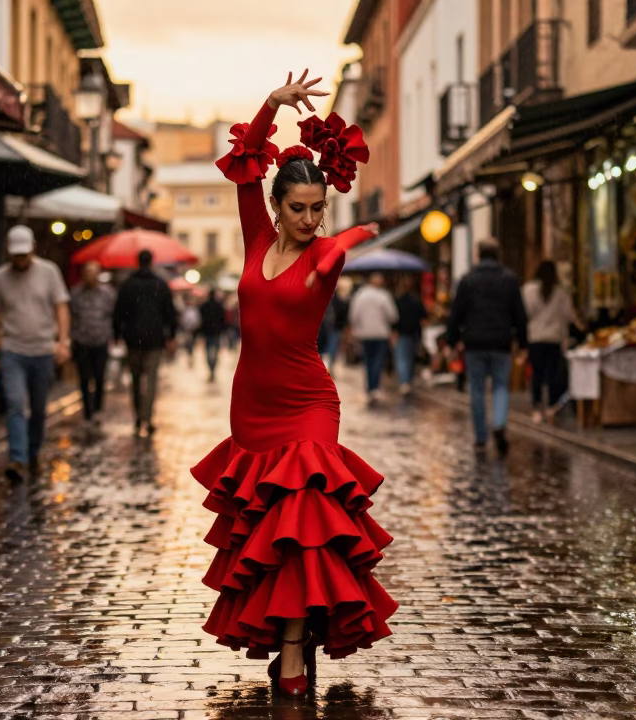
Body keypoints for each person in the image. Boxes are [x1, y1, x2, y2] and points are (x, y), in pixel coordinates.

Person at [191, 70, 394, 698]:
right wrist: (270, 106)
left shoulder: (322, 252)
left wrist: (343, 243)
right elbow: (247, 163)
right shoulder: (255, 237)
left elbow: (352, 240)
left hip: (309, 403)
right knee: (266, 534)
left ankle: (294, 651)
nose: (309, 219)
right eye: (298, 209)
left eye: (317, 210)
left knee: (306, 521)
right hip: (252, 403)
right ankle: (286, 635)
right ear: (277, 207)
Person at [0, 226, 71, 481]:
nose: (20, 260)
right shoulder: (0, 277)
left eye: (24, 255)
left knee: (39, 408)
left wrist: (63, 342)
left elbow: (61, 308)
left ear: (32, 248)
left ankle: (33, 450)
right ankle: (18, 458)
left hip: (43, 350)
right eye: (15, 256)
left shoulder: (49, 272)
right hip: (13, 350)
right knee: (14, 403)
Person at [446, 238, 528, 455]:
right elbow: (519, 314)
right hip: (501, 341)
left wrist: (452, 341)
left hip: (474, 342)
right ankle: (499, 424)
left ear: (478, 255)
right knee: (501, 386)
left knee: (477, 388)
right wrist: (523, 342)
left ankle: (481, 436)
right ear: (498, 255)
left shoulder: (468, 280)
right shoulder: (509, 279)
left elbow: (456, 313)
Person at [112, 249, 178, 438]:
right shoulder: (160, 284)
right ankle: (146, 418)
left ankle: (137, 416)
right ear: (151, 262)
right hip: (155, 340)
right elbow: (170, 313)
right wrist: (171, 335)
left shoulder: (127, 285)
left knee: (135, 379)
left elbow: (118, 312)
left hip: (132, 339)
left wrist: (117, 333)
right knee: (151, 381)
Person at [523, 260, 582, 423]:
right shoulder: (561, 293)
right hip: (554, 338)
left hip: (535, 337)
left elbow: (525, 313)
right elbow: (569, 315)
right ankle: (551, 408)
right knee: (552, 374)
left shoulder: (529, 290)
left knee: (536, 374)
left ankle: (536, 409)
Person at [69, 260, 115, 429]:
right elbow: (71, 315)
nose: (90, 276)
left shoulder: (107, 293)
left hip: (100, 340)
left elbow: (112, 314)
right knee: (83, 378)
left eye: (93, 272)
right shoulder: (75, 293)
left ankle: (97, 409)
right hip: (82, 341)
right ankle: (87, 412)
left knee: (100, 377)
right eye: (87, 272)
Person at [348, 273, 398, 402]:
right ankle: (374, 387)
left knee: (368, 360)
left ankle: (370, 387)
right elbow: (393, 316)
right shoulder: (384, 296)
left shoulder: (360, 295)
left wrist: (358, 327)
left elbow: (353, 315)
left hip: (365, 333)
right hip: (381, 333)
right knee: (378, 360)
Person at [393, 276, 428, 395]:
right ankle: (408, 380)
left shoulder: (398, 301)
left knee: (402, 358)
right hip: (415, 333)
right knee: (410, 358)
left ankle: (404, 382)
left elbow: (393, 319)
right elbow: (424, 318)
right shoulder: (417, 301)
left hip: (403, 333)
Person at [199, 290, 227, 382]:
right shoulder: (219, 307)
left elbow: (201, 319)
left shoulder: (204, 306)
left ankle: (211, 368)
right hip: (216, 332)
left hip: (207, 332)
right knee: (215, 351)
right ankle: (213, 369)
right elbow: (223, 320)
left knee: (208, 352)